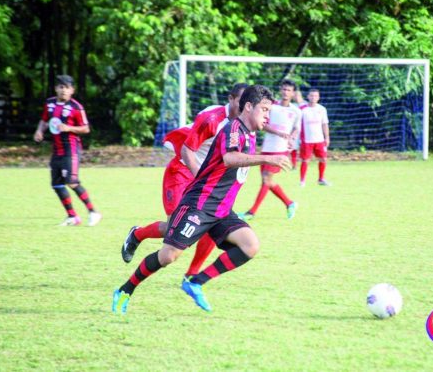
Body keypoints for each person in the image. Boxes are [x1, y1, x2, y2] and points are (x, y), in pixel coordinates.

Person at [112, 84, 291, 314]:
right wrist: (268, 158)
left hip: (221, 209)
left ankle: (195, 282)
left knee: (250, 245)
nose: (268, 115)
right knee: (168, 256)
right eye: (265, 109)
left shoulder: (250, 134)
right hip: (199, 205)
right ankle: (125, 290)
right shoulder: (232, 129)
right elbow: (230, 158)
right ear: (248, 107)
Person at [120, 84, 248, 282]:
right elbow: (187, 150)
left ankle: (192, 274)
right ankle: (137, 234)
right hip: (182, 171)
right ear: (231, 99)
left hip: (207, 181)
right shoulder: (212, 117)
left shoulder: (242, 124)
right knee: (174, 226)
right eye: (241, 101)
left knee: (209, 223)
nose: (244, 107)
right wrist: (201, 176)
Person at [33, 75, 102, 226]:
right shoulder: (50, 103)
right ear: (56, 89)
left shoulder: (76, 107)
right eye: (61, 87)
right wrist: (39, 131)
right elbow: (44, 120)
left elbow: (86, 128)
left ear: (72, 90)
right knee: (57, 184)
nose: (63, 90)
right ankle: (72, 217)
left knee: (71, 181)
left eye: (67, 87)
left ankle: (93, 212)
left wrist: (69, 128)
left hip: (71, 150)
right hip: (56, 150)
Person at [238, 79, 301, 221]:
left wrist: (292, 138)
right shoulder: (271, 107)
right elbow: (263, 124)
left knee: (266, 179)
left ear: (293, 93)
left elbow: (296, 128)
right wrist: (278, 133)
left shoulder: (296, 111)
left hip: (281, 149)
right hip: (268, 148)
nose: (286, 92)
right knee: (268, 181)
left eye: (289, 90)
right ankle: (290, 203)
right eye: (284, 89)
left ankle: (252, 212)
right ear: (280, 90)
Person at [299, 89, 331, 186]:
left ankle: (321, 179)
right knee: (305, 160)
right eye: (311, 96)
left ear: (318, 97)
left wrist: (327, 137)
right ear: (308, 97)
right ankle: (302, 181)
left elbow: (325, 124)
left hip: (319, 140)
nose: (313, 98)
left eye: (315, 96)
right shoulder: (303, 109)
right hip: (307, 140)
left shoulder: (322, 109)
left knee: (323, 159)